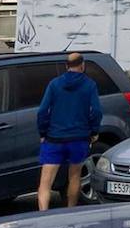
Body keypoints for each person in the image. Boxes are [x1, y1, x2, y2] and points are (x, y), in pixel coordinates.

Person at [36, 52, 103, 210]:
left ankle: (43, 214)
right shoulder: (90, 85)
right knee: (74, 177)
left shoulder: (54, 84)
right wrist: (94, 130)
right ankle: (70, 210)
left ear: (66, 66)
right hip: (79, 138)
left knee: (45, 183)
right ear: (82, 65)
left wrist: (43, 132)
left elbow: (42, 111)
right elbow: (97, 111)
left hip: (54, 138)